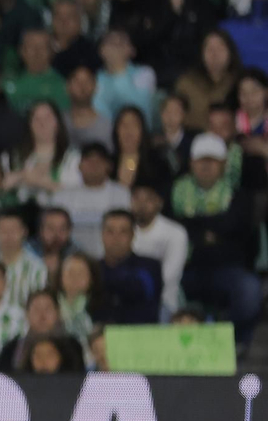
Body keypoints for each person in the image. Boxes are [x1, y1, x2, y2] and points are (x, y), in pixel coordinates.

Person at [169, 133, 262, 347]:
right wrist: (213, 229)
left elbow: (234, 225)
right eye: (201, 160)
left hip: (227, 269)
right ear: (192, 163)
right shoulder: (176, 191)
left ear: (223, 164)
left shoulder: (237, 195)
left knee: (250, 289)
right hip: (186, 269)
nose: (206, 166)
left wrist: (194, 226)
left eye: (212, 161)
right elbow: (174, 225)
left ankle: (233, 342)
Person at [129, 182, 188, 317]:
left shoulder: (176, 232)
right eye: (137, 198)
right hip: (127, 300)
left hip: (165, 303)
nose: (141, 205)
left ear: (159, 203)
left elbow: (169, 276)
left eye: (148, 199)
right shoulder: (123, 231)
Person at [97, 210, 164, 325]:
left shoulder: (149, 267)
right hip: (99, 334)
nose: (116, 238)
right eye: (110, 231)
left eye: (123, 232)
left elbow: (140, 293)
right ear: (102, 235)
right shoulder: (92, 268)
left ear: (133, 235)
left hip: (139, 332)